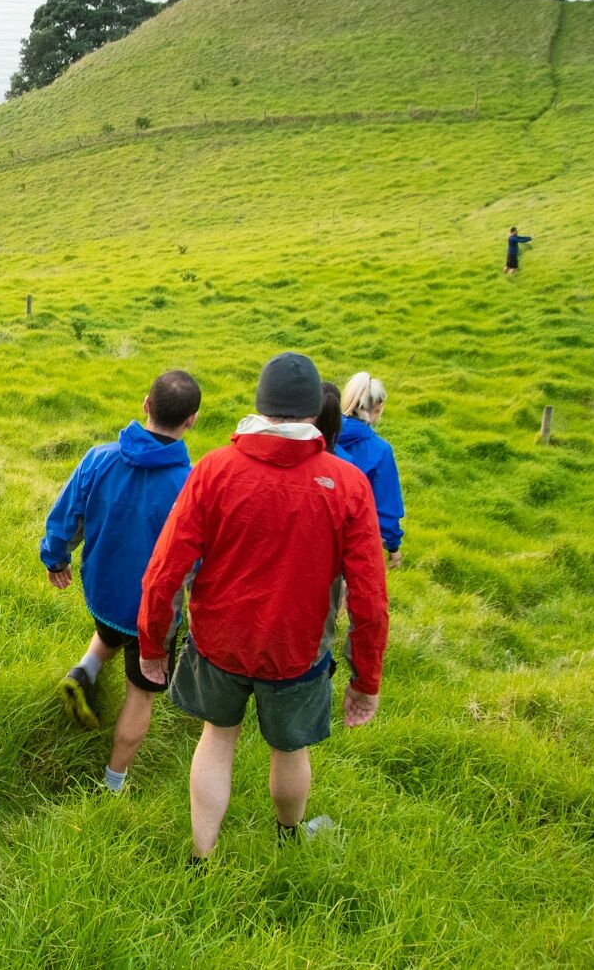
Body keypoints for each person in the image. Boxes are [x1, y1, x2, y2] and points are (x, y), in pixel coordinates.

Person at [137, 352, 388, 860]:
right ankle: (288, 837)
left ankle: (200, 858)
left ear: (260, 403)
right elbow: (369, 599)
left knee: (217, 737)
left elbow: (165, 570)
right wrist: (366, 681)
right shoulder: (348, 486)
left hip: (217, 643)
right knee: (289, 750)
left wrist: (152, 644)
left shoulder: (213, 469)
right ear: (313, 413)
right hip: (297, 651)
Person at [40, 370, 202, 794]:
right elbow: (201, 560)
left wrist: (55, 558)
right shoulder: (191, 486)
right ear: (192, 421)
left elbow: (65, 515)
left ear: (146, 404)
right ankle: (112, 785)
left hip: (102, 591)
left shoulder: (99, 457)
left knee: (110, 629)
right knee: (140, 694)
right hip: (154, 613)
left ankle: (84, 671)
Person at [335, 372, 407, 566]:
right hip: (353, 543)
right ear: (378, 406)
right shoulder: (380, 450)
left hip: (313, 535)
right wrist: (393, 546)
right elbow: (387, 506)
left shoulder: (321, 433)